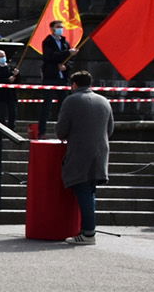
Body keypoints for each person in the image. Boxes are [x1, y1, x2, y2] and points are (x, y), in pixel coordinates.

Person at [56, 71, 113, 246]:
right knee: (90, 192)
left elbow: (61, 130)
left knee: (83, 190)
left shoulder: (71, 100)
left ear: (74, 84)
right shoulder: (104, 101)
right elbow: (110, 129)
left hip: (80, 152)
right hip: (100, 152)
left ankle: (88, 233)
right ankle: (87, 230)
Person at [38, 19, 72, 136]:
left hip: (62, 78)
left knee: (64, 105)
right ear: (52, 29)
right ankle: (42, 131)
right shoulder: (47, 42)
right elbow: (49, 57)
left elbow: (70, 60)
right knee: (47, 105)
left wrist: (66, 66)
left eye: (61, 27)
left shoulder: (65, 42)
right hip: (50, 77)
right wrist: (66, 54)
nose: (60, 29)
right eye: (58, 27)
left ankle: (63, 131)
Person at [0, 48, 20, 129]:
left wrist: (17, 75)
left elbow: (18, 81)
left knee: (13, 114)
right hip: (1, 95)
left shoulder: (11, 68)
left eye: (3, 56)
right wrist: (7, 80)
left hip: (12, 95)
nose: (3, 58)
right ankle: (1, 132)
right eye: (0, 56)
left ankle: (12, 130)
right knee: (2, 115)